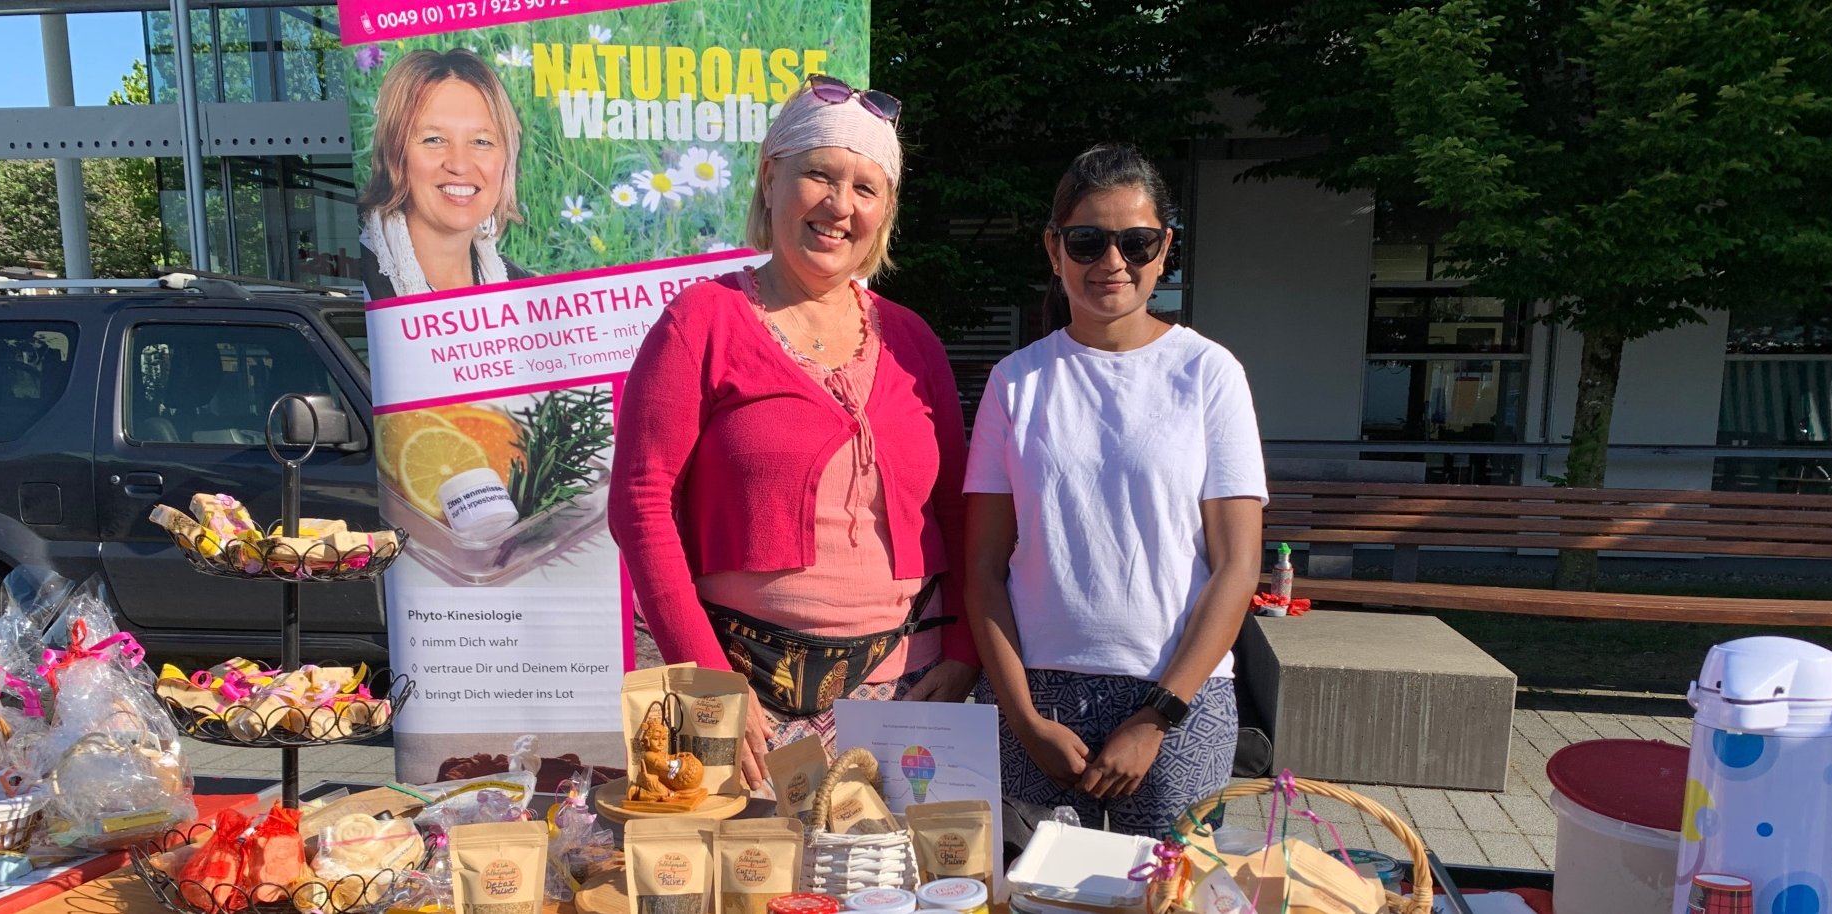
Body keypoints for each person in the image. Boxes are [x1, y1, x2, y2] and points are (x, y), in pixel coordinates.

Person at [609, 76, 980, 788]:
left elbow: (959, 513)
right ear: (770, 179)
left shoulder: (914, 341)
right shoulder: (701, 322)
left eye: (866, 188)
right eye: (819, 175)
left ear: (885, 211)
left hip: (908, 689)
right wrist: (706, 678)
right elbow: (640, 503)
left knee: (890, 864)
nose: (841, 205)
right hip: (738, 689)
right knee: (737, 862)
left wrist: (966, 648)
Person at [964, 144, 1267, 838]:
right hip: (1037, 693)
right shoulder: (1015, 383)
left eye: (1136, 242)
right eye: (1087, 241)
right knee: (1033, 889)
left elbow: (1237, 565)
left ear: (1165, 250)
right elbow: (983, 568)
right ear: (1054, 248)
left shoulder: (1208, 374)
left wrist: (1158, 716)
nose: (1112, 262)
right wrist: (1025, 719)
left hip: (1179, 695)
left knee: (1167, 888)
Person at [357, 48, 531, 299]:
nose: (459, 165)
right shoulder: (359, 282)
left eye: (481, 142)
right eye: (434, 139)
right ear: (395, 154)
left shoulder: (523, 289)